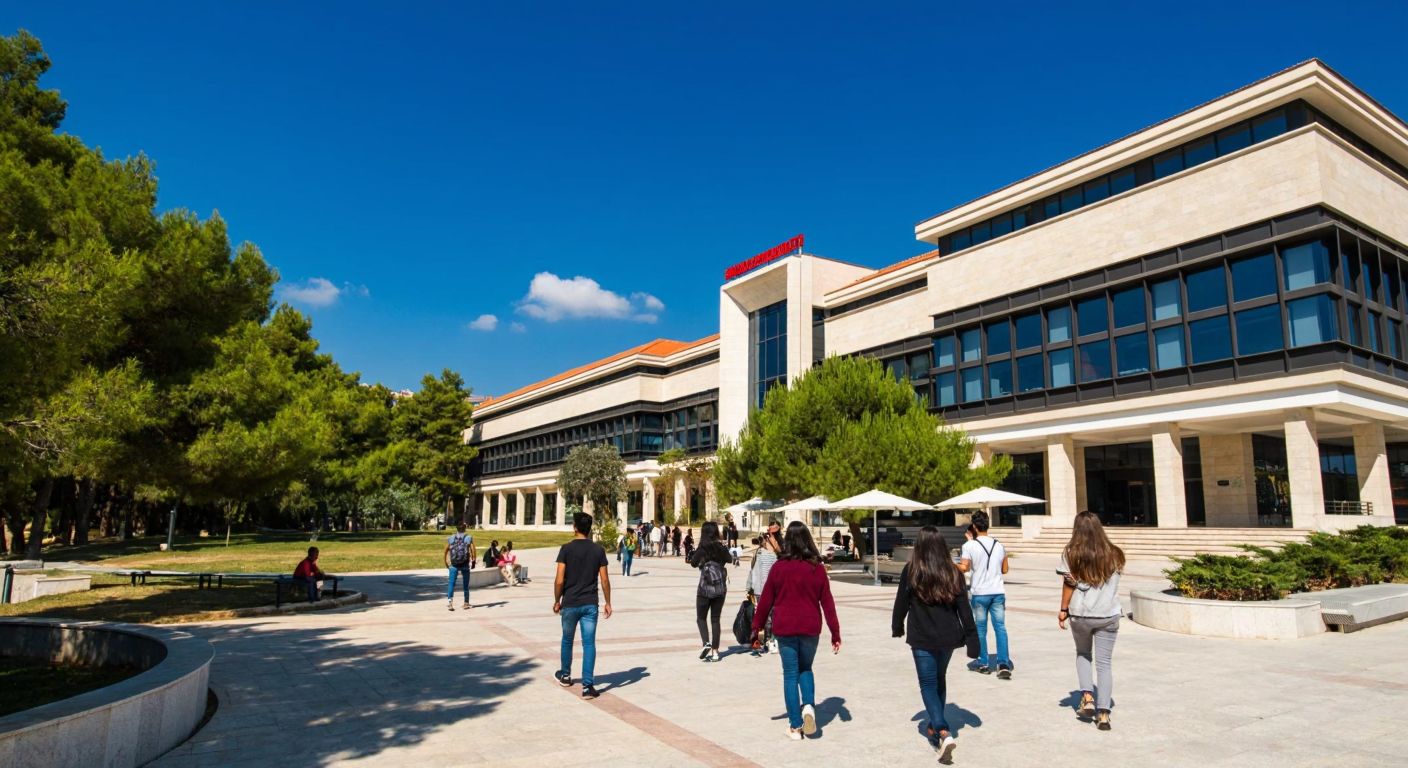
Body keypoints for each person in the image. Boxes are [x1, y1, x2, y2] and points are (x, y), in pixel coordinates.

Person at [892, 526, 979, 763]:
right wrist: (973, 640)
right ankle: (935, 726)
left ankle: (941, 728)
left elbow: (901, 602)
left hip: (922, 636)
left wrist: (897, 626)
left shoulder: (912, 571)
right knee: (939, 678)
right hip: (949, 637)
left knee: (928, 683)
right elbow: (964, 609)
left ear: (919, 546)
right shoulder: (953, 572)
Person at [751, 522, 841, 741]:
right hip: (810, 627)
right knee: (806, 668)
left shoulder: (779, 568)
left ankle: (795, 726)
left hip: (785, 627)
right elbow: (827, 603)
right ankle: (808, 706)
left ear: (787, 541)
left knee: (790, 674)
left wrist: (756, 628)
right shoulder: (817, 568)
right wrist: (835, 633)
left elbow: (765, 602)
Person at [1058, 511, 1126, 732]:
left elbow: (1069, 585)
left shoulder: (1071, 553)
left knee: (1083, 654)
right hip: (1108, 613)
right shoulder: (1115, 554)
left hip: (1081, 614)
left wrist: (1063, 610)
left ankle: (1087, 697)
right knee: (1105, 663)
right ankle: (1104, 713)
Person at [554, 511, 613, 699]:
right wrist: (608, 602)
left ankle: (565, 675)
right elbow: (604, 580)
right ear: (590, 529)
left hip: (570, 603)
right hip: (590, 604)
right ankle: (587, 686)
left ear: (575, 528)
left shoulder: (566, 549)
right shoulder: (598, 550)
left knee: (567, 640)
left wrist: (557, 600)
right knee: (589, 644)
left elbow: (559, 580)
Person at [958, 510, 1012, 678]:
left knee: (980, 629)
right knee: (1000, 628)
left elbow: (964, 568)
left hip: (980, 593)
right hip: (997, 592)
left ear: (974, 526)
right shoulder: (999, 545)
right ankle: (1003, 663)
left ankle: (983, 662)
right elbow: (1005, 569)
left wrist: (950, 564)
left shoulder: (969, 546)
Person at [689, 521, 733, 662]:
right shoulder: (721, 547)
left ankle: (706, 642)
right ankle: (715, 652)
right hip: (720, 589)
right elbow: (730, 559)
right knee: (715, 619)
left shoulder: (703, 548)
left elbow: (693, 563)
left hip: (704, 589)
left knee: (701, 618)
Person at [748, 529, 781, 656]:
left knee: (764, 616)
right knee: (770, 616)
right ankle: (769, 640)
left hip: (759, 590)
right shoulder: (772, 556)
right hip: (768, 590)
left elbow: (752, 572)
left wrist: (750, 587)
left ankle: (763, 640)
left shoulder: (759, 553)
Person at [444, 524, 477, 611]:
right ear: (465, 529)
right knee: (466, 584)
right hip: (465, 564)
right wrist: (473, 561)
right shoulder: (468, 537)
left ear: (456, 529)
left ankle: (450, 603)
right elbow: (473, 549)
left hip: (454, 564)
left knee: (451, 583)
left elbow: (446, 550)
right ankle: (466, 602)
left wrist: (446, 562)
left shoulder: (451, 538)